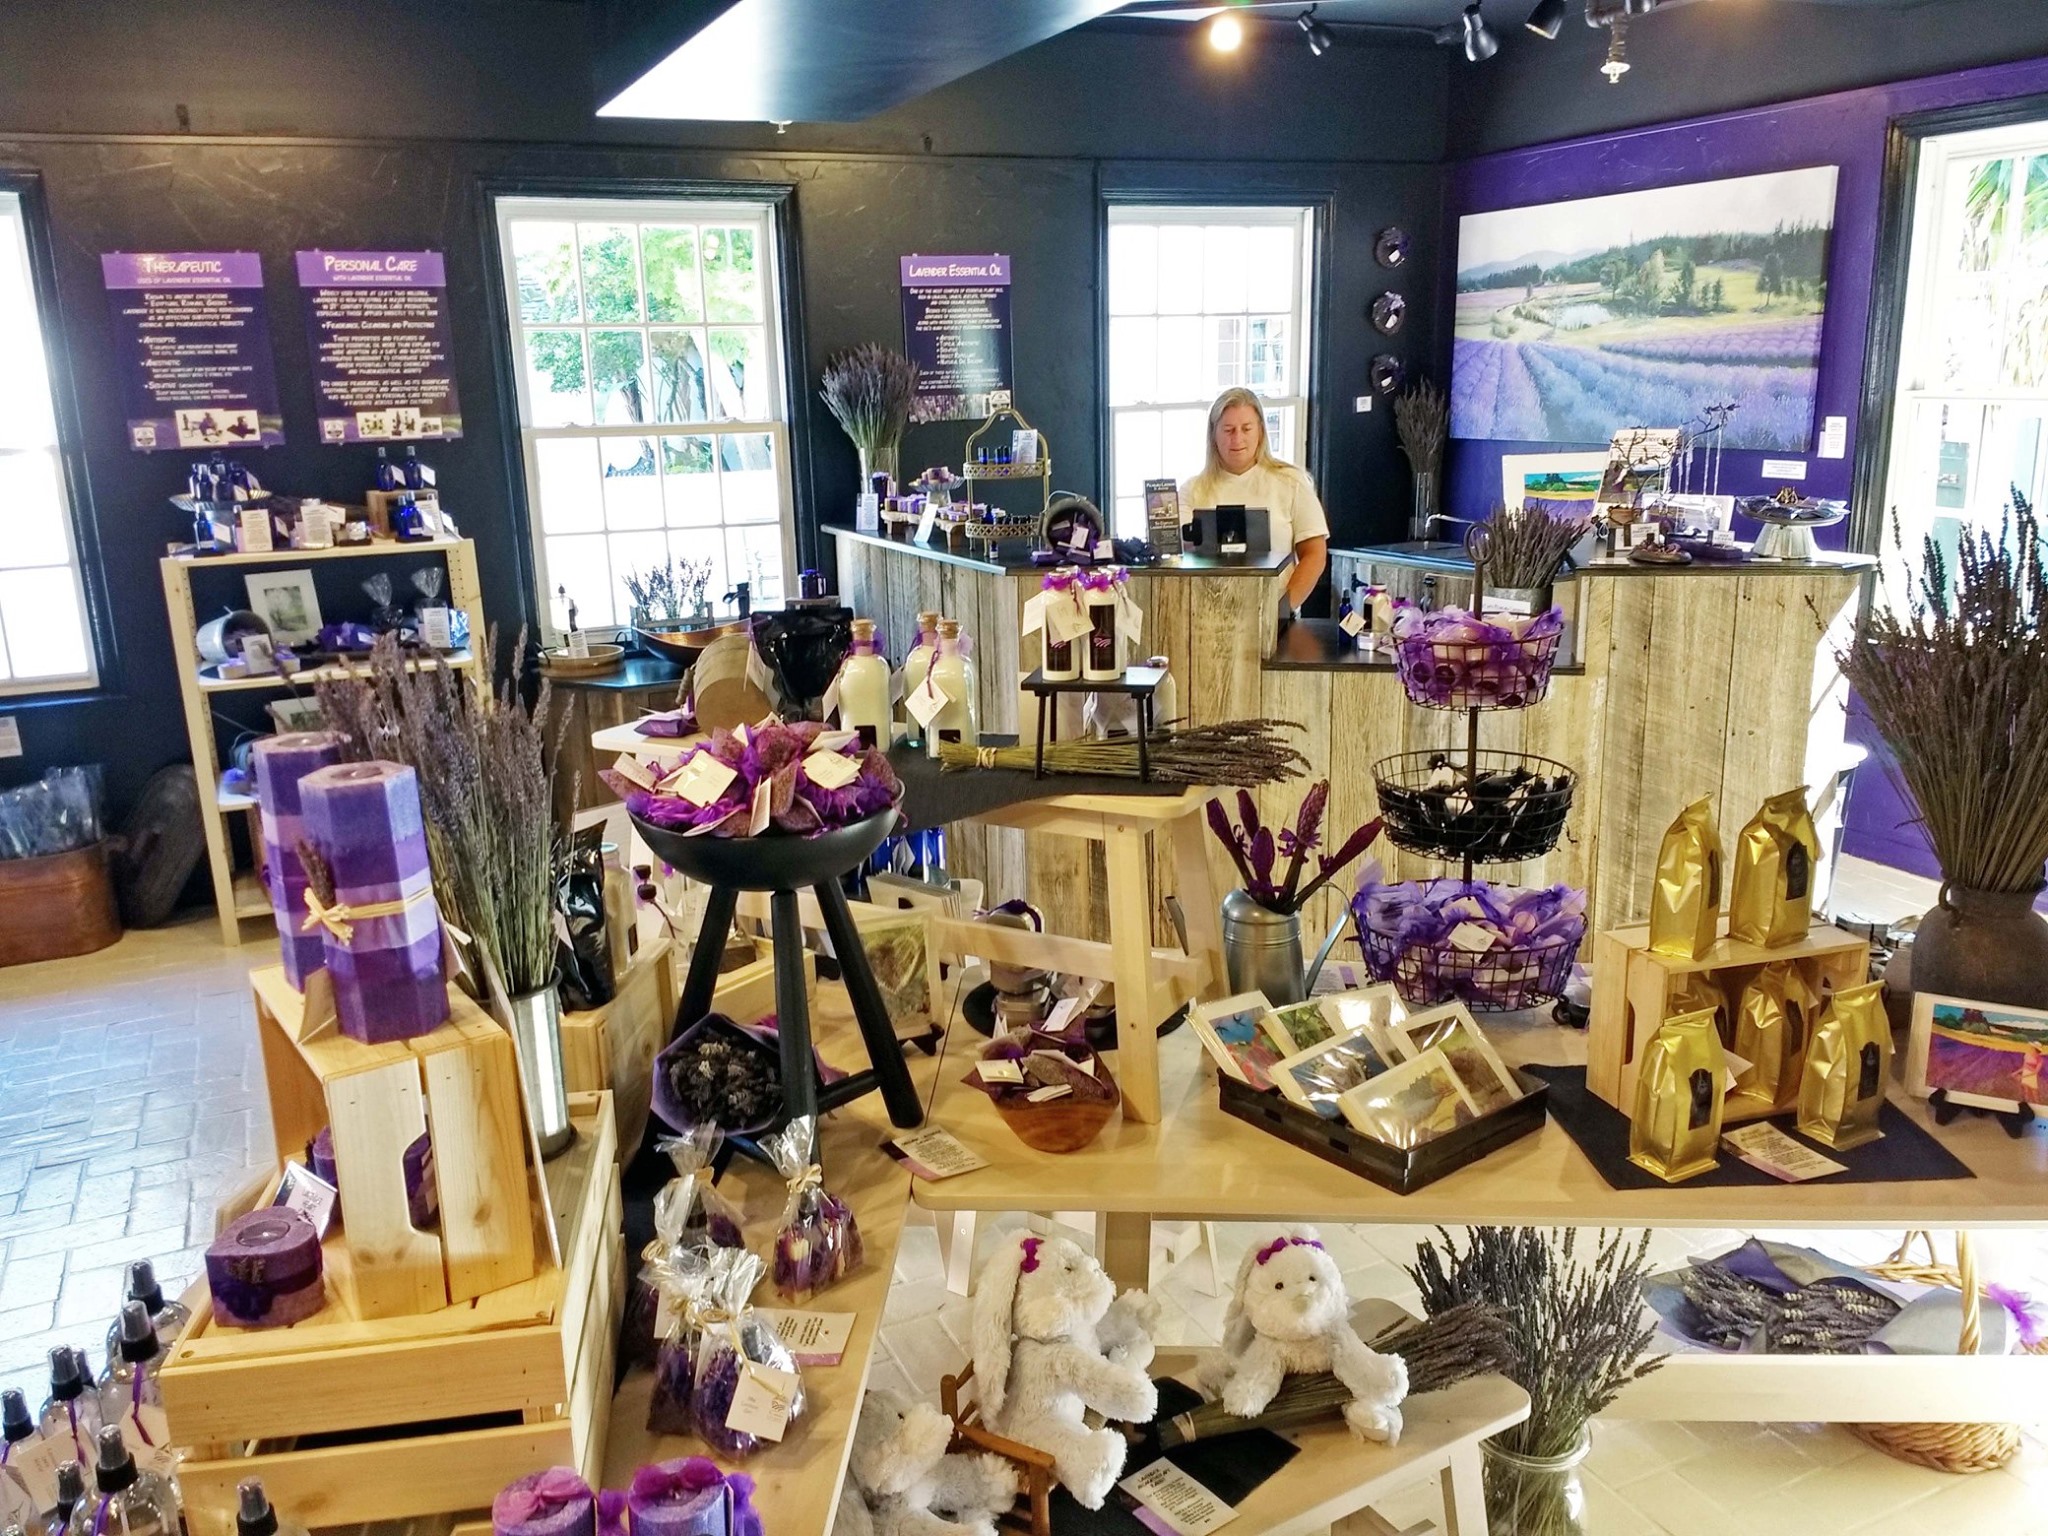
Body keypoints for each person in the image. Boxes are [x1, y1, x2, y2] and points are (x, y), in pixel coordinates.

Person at [1179, 386, 1327, 614]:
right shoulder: (1192, 490)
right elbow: (1178, 553)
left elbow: (1315, 554)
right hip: (1206, 616)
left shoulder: (1291, 482)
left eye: (1246, 428)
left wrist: (1281, 612)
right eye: (1228, 430)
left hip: (1275, 617)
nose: (1237, 438)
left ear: (1260, 431)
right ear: (1213, 434)